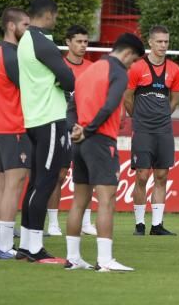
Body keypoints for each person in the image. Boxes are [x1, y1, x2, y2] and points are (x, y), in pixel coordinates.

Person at [65, 32, 144, 272]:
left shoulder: (89, 70)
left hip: (80, 143)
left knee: (80, 201)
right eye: (133, 61)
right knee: (107, 200)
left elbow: (71, 107)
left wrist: (75, 130)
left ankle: (73, 258)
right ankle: (105, 259)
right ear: (128, 54)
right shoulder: (119, 72)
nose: (131, 66)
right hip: (100, 141)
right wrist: (88, 130)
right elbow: (110, 105)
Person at [17, 0, 75, 263]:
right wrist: (61, 84)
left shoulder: (26, 40)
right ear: (49, 14)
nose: (57, 19)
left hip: (34, 118)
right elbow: (69, 78)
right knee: (45, 183)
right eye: (56, 15)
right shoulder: (42, 42)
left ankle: (27, 245)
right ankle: (34, 248)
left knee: (36, 183)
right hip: (49, 119)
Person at [123, 25, 179, 236]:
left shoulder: (174, 69)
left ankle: (157, 225)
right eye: (159, 41)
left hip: (164, 129)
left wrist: (163, 115)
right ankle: (139, 224)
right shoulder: (137, 68)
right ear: (150, 42)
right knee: (141, 175)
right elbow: (127, 97)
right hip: (142, 129)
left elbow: (174, 99)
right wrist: (137, 117)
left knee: (162, 175)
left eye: (166, 41)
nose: (163, 45)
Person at [0, 7, 30, 259]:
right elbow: (27, 88)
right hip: (14, 127)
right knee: (12, 187)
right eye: (25, 25)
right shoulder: (11, 55)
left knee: (4, 186)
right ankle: (4, 247)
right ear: (12, 26)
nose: (28, 30)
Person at [46, 24, 95, 237]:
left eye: (85, 42)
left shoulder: (92, 68)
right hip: (61, 127)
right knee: (59, 175)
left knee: (87, 175)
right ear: (68, 42)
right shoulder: (58, 66)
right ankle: (54, 224)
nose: (83, 46)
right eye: (79, 41)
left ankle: (85, 222)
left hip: (86, 129)